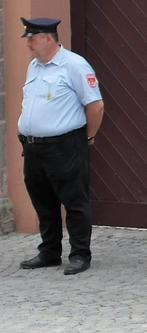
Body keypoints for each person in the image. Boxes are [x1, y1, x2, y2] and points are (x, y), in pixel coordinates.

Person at [16, 16, 104, 275]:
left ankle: (79, 254)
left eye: (31, 39)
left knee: (74, 200)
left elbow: (96, 105)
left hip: (65, 145)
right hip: (34, 147)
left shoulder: (74, 65)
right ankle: (49, 251)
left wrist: (87, 137)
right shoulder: (35, 66)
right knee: (43, 200)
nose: (28, 45)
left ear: (47, 39)